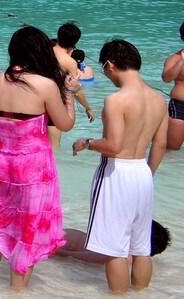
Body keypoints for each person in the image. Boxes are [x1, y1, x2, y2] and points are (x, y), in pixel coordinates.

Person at [0, 25, 77, 290]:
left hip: (1, 163)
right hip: (33, 169)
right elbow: (65, 124)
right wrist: (69, 92)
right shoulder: (45, 85)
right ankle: (17, 292)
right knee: (28, 230)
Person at [72, 40, 169, 294]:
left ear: (110, 65)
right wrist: (149, 172)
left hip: (117, 172)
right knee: (141, 247)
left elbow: (113, 145)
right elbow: (160, 144)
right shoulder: (159, 99)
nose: (106, 75)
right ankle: (141, 293)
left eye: (104, 69)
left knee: (114, 249)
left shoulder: (116, 100)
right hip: (143, 173)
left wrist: (86, 142)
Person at [0, 214, 171, 266]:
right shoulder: (119, 255)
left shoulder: (113, 252)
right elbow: (73, 256)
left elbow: (71, 255)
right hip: (42, 234)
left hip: (40, 234)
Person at [51, 23, 96, 146]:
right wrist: (88, 107)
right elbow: (75, 89)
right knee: (54, 147)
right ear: (76, 41)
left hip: (35, 100)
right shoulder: (69, 62)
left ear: (58, 35)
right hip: (54, 104)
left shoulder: (44, 51)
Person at [160, 22, 184, 150]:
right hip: (180, 106)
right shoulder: (174, 58)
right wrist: (181, 61)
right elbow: (166, 78)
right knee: (172, 147)